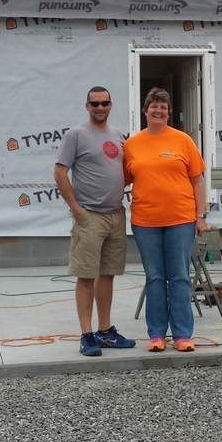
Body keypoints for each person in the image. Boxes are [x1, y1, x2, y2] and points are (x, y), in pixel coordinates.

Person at [124, 87, 209, 352]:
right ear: (145, 110)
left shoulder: (183, 140)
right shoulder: (132, 144)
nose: (158, 110)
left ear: (168, 112)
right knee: (155, 277)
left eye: (163, 106)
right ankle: (157, 335)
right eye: (153, 106)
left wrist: (200, 216)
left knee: (180, 277)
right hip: (145, 221)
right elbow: (120, 180)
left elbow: (198, 180)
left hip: (181, 220)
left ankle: (183, 335)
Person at [54, 86, 136, 357]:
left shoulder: (119, 136)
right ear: (87, 106)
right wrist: (76, 209)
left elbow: (126, 171)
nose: (100, 108)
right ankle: (86, 335)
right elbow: (60, 172)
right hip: (89, 216)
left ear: (111, 105)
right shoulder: (75, 135)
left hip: (115, 215)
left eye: (105, 103)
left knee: (107, 274)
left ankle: (105, 331)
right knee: (86, 275)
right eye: (95, 104)